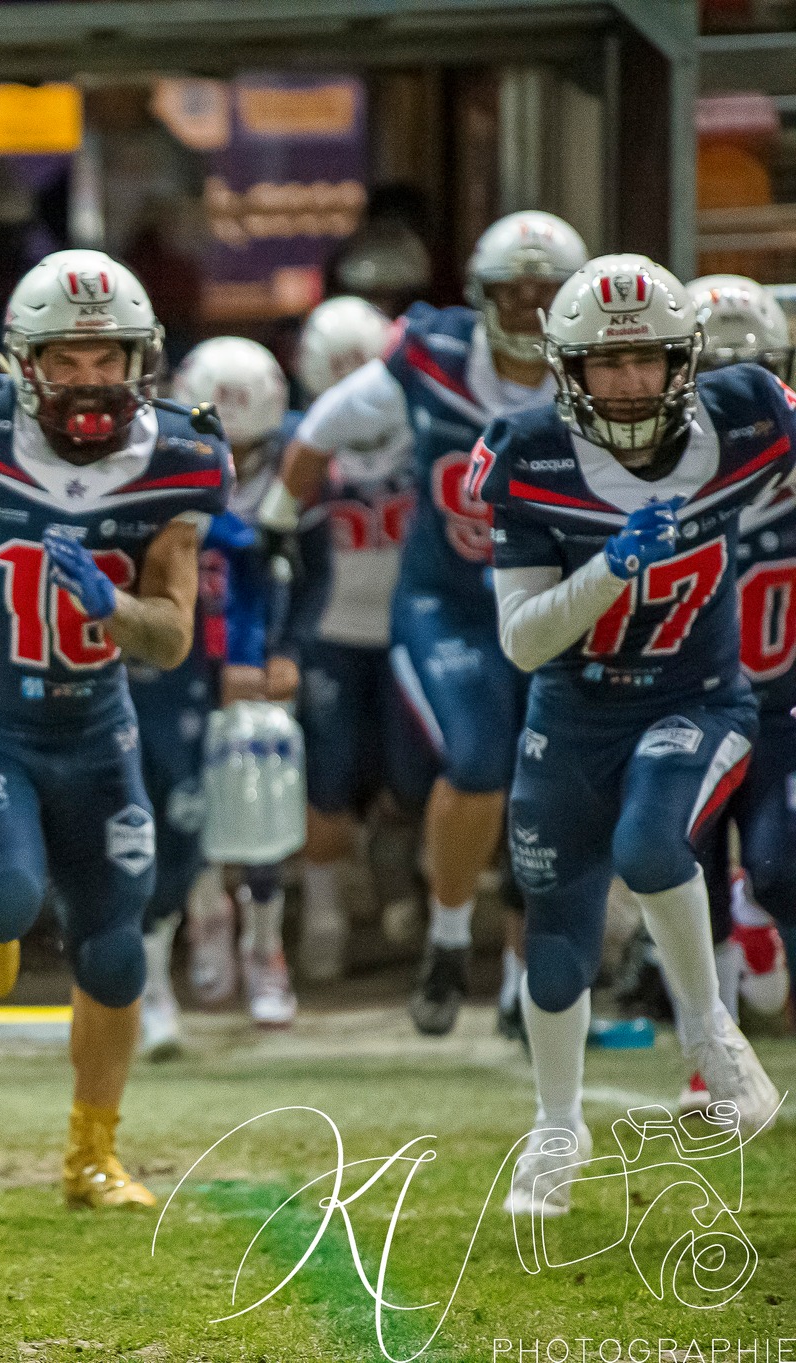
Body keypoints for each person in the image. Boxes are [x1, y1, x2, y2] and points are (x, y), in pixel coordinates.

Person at [472, 254, 789, 1217]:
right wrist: (610, 567)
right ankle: (555, 1128)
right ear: (566, 370)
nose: (628, 382)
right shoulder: (530, 455)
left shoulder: (748, 415)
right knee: (558, 947)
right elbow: (524, 643)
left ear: (682, 360)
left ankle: (710, 1033)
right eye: (605, 366)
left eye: (647, 360)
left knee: (653, 844)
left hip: (694, 696)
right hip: (570, 712)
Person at [0, 250, 227, 1201]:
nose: (91, 382)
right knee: (7, 904)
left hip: (96, 727)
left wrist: (115, 609)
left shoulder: (179, 458)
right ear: (24, 363)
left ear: (144, 362)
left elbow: (172, 639)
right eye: (68, 359)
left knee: (115, 945)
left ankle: (92, 1152)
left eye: (110, 359)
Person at [276, 210, 589, 1038]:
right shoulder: (434, 354)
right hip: (446, 600)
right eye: (510, 293)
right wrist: (275, 528)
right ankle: (449, 941)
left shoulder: (599, 371)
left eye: (544, 293)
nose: (527, 309)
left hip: (557, 605)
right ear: (480, 295)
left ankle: (526, 979)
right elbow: (318, 432)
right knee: (480, 761)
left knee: (548, 788)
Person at [153, 338, 324, 1032]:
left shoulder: (300, 462)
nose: (238, 460)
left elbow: (318, 571)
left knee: (262, 805)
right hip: (183, 654)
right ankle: (205, 914)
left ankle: (264, 943)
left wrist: (289, 651)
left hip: (256, 651)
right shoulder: (160, 457)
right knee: (184, 799)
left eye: (252, 446)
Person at [286, 297, 433, 983]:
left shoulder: (429, 427)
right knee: (328, 780)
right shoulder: (303, 440)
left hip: (411, 626)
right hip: (332, 631)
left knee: (415, 774)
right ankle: (324, 914)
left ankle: (400, 869)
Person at [676, 272, 796, 1105]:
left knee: (779, 865)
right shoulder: (639, 468)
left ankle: (765, 930)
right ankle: (710, 1051)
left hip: (785, 701)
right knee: (684, 870)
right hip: (689, 699)